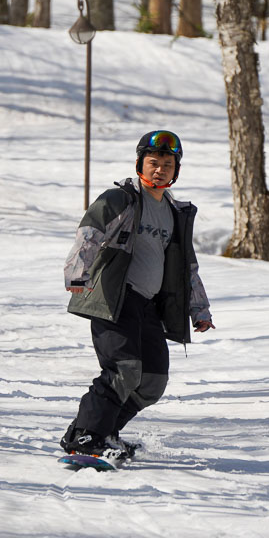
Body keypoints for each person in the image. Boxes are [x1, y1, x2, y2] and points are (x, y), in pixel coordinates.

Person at [60, 130, 214, 461]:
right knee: (124, 368)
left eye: (168, 164)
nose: (160, 169)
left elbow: (187, 268)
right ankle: (87, 436)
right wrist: (76, 272)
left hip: (148, 306)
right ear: (140, 163)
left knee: (153, 382)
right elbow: (90, 232)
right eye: (153, 162)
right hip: (114, 298)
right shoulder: (124, 199)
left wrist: (199, 310)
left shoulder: (175, 213)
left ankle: (104, 433)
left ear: (176, 170)